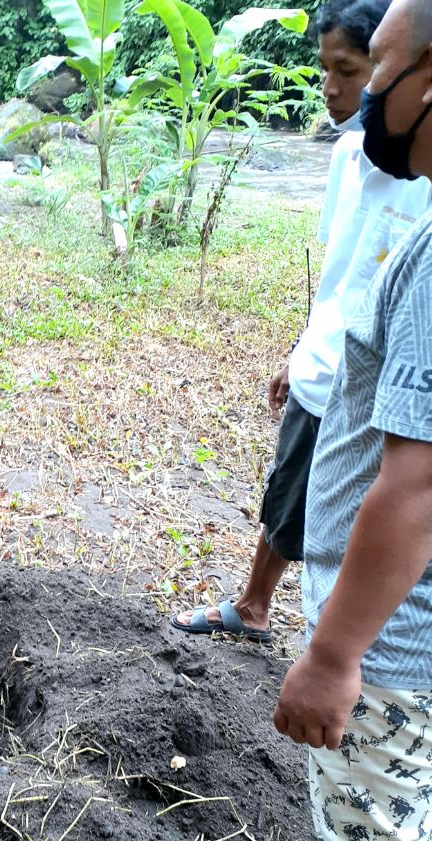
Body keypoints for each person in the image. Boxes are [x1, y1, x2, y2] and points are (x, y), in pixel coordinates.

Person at [171, 0, 432, 644]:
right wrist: (300, 347)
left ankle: (341, 646)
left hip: (382, 383)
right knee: (290, 489)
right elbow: (337, 271)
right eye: (325, 68)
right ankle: (256, 606)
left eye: (353, 69)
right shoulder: (348, 154)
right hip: (325, 363)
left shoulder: (421, 171)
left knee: (365, 511)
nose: (336, 87)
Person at [272, 0, 432, 835]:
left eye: (378, 66)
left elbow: (417, 487)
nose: (364, 92)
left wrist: (334, 657)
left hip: (392, 656)